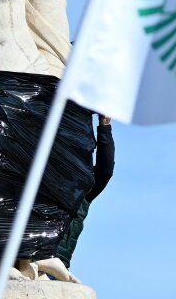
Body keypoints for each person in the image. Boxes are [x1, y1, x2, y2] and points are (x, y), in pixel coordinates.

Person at [54, 114, 115, 269]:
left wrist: (104, 125)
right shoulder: (37, 180)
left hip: (55, 264)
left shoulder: (81, 191)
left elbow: (105, 169)